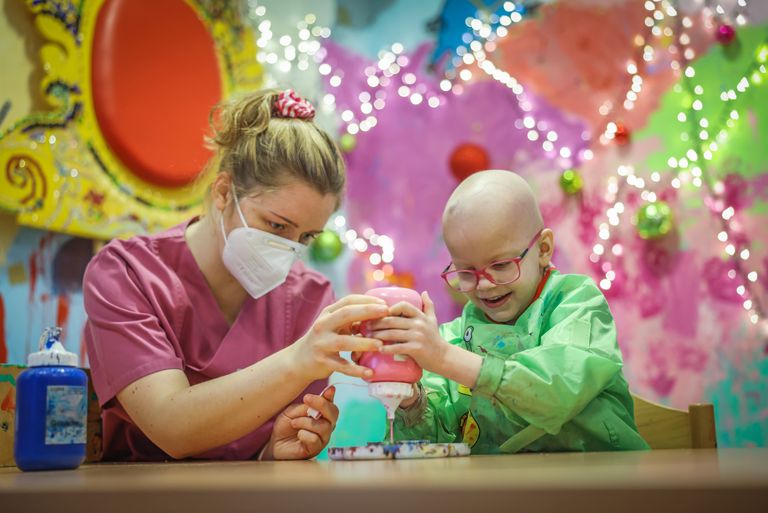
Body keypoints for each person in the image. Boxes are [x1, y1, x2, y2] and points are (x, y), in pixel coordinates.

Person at [83, 89, 387, 461]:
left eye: (306, 237)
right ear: (224, 192)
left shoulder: (310, 299)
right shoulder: (127, 274)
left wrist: (273, 453)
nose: (290, 249)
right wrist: (297, 360)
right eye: (276, 225)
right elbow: (171, 428)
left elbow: (260, 452)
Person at [368, 170, 649, 453]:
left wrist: (442, 356)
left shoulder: (576, 304)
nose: (484, 284)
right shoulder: (454, 337)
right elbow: (430, 445)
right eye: (466, 272)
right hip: (500, 492)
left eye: (501, 265)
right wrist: (409, 399)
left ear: (543, 249)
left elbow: (555, 389)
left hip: (601, 486)